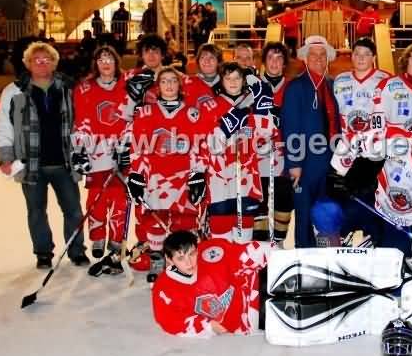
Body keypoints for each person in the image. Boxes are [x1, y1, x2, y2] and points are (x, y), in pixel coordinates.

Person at [0, 41, 89, 269]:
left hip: (64, 163)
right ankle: (43, 252)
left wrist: (84, 150)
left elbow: (83, 121)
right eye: (36, 59)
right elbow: (3, 125)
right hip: (30, 163)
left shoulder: (69, 88)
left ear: (54, 63)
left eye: (46, 59)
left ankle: (76, 250)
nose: (41, 63)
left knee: (74, 211)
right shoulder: (13, 91)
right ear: (28, 63)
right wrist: (5, 155)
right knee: (36, 212)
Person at [126, 66, 220, 282]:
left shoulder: (193, 113)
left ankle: (185, 263)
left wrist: (198, 173)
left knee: (185, 221)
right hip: (155, 177)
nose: (169, 85)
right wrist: (136, 174)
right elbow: (137, 146)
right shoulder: (145, 112)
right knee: (155, 220)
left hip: (183, 176)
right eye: (164, 81)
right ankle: (157, 260)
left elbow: (201, 144)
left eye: (173, 80)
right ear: (158, 87)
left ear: (180, 85)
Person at [334, 112, 412, 256]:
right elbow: (353, 140)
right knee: (336, 222)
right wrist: (337, 172)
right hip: (375, 206)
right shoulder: (396, 139)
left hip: (404, 223)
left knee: (392, 260)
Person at [71, 46, 129, 271]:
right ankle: (97, 236)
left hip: (122, 149)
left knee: (120, 198)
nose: (105, 63)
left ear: (116, 62)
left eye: (109, 59)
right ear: (95, 64)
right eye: (101, 59)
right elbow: (81, 120)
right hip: (95, 150)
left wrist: (126, 145)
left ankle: (116, 239)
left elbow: (134, 116)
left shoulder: (127, 85)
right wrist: (80, 149)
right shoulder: (84, 87)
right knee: (97, 197)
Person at [203, 63, 275, 241]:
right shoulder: (210, 106)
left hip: (246, 180)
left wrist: (262, 110)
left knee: (243, 241)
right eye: (228, 78)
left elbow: (264, 143)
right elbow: (211, 147)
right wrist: (225, 128)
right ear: (221, 81)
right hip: (219, 181)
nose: (233, 82)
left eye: (237, 78)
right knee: (221, 242)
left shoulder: (252, 104)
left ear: (243, 81)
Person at [281, 35, 340, 247]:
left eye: (322, 55)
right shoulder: (296, 87)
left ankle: (324, 254)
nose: (318, 59)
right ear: (305, 58)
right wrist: (294, 164)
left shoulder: (331, 85)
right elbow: (290, 127)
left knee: (324, 212)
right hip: (305, 162)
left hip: (328, 160)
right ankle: (304, 254)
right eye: (313, 55)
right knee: (304, 214)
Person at [151, 231, 269, 337]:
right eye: (180, 258)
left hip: (258, 283)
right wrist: (208, 326)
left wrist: (273, 253)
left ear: (197, 249)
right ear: (169, 259)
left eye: (191, 254)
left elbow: (250, 252)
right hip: (250, 320)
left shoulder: (211, 251)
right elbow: (169, 321)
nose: (189, 263)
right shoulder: (163, 289)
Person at [330, 37, 391, 200]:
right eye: (357, 53)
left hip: (374, 150)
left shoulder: (386, 80)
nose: (361, 58)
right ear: (351, 56)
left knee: (369, 197)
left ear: (374, 57)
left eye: (366, 54)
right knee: (342, 196)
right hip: (346, 147)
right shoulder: (340, 80)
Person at [256, 42, 294, 244]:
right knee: (259, 203)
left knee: (284, 200)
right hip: (256, 156)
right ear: (263, 61)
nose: (274, 62)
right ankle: (260, 249)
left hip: (284, 154)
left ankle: (278, 243)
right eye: (270, 57)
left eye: (279, 58)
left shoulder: (293, 87)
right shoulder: (251, 87)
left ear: (284, 64)